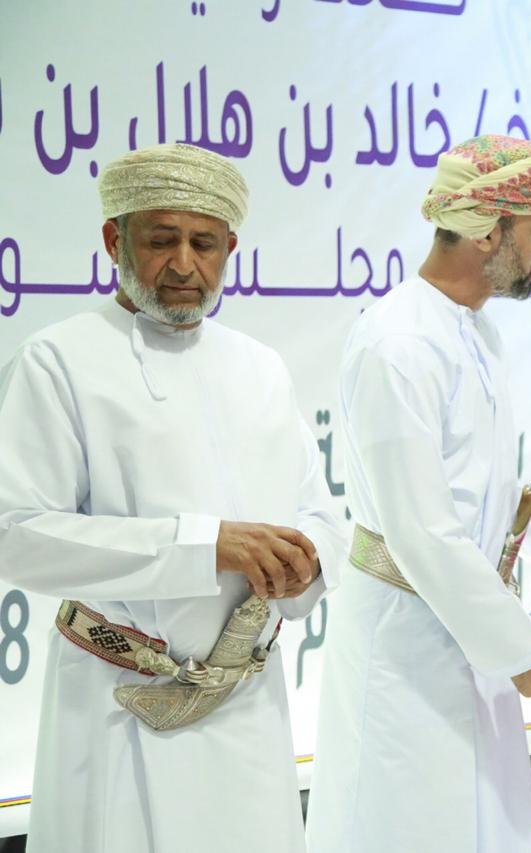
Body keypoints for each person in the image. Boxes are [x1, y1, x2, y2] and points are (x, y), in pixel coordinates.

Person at [0, 142, 346, 853]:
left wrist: (309, 560)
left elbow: (319, 509)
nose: (185, 264)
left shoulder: (261, 367)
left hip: (249, 709)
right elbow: (17, 534)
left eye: (204, 243)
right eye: (162, 240)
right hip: (119, 707)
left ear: (230, 250)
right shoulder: (57, 360)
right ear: (113, 240)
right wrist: (203, 544)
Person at [306, 134, 531, 853]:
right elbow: (423, 530)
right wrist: (523, 652)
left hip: (472, 628)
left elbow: (487, 493)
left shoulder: (477, 332)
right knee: (408, 827)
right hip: (407, 644)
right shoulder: (398, 342)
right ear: (488, 230)